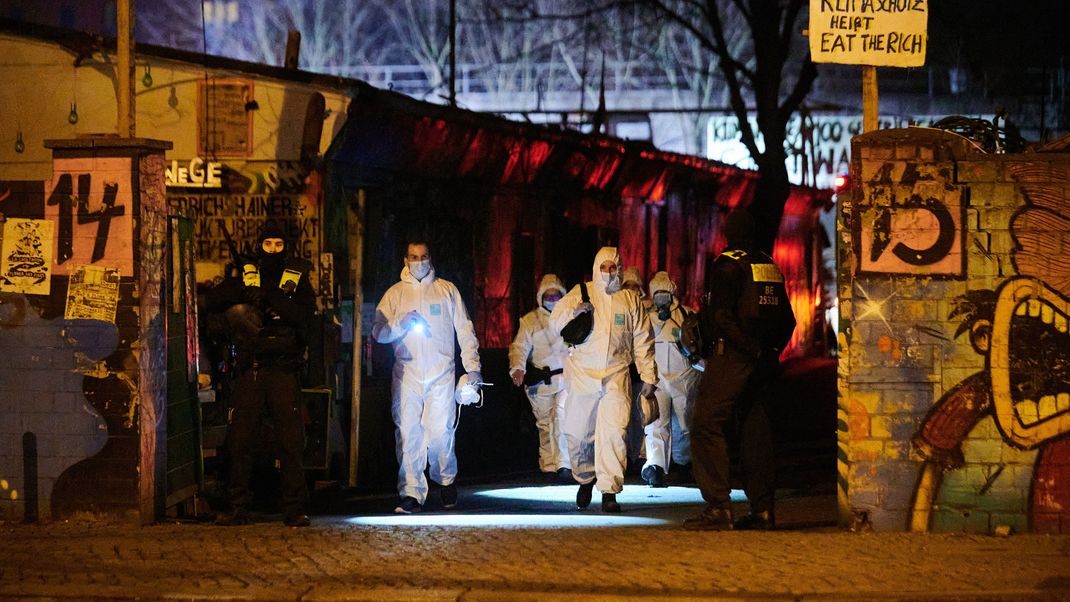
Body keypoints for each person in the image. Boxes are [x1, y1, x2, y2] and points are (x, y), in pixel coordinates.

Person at [684, 210, 796, 531]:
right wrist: (769, 352)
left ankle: (719, 507)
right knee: (754, 430)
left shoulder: (727, 264)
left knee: (706, 424)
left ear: (729, 232)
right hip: (763, 363)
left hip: (732, 357)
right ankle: (763, 510)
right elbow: (788, 320)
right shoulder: (768, 266)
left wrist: (747, 349)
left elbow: (721, 317)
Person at [209, 221, 315, 527]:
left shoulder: (295, 277)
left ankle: (294, 508)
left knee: (291, 442)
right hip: (251, 368)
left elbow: (304, 315)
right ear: (260, 245)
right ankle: (237, 506)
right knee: (240, 440)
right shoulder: (247, 272)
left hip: (283, 367)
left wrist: (270, 297)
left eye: (278, 245)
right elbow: (216, 299)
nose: (272, 250)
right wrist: (245, 292)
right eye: (268, 244)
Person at [372, 241, 482, 514]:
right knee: (409, 433)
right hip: (407, 372)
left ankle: (445, 478)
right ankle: (411, 493)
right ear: (405, 259)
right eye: (413, 257)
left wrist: (473, 367)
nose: (418, 261)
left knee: (439, 432)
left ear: (430, 258)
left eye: (423, 256)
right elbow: (378, 332)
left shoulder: (446, 291)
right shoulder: (395, 294)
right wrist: (400, 324)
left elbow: (464, 330)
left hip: (441, 373)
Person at [549, 247, 658, 513]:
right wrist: (574, 312)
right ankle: (585, 477)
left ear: (619, 268)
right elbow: (555, 321)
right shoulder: (581, 293)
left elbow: (643, 339)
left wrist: (648, 376)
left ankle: (609, 490)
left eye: (613, 267)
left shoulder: (629, 300)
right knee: (577, 433)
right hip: (583, 375)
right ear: (597, 267)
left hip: (616, 374)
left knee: (614, 433)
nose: (609, 273)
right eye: (604, 267)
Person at [509, 274, 572, 482]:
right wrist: (517, 368)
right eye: (548, 296)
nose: (552, 300)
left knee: (562, 418)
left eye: (556, 296)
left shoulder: (570, 317)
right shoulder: (530, 321)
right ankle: (549, 466)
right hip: (541, 384)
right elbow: (519, 347)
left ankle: (565, 464)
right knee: (545, 425)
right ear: (540, 296)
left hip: (566, 380)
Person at [641, 271, 702, 488]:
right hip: (657, 380)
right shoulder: (646, 318)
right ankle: (655, 467)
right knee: (657, 423)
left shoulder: (686, 316)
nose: (661, 298)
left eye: (665, 293)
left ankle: (684, 463)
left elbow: (698, 346)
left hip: (683, 379)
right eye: (657, 294)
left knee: (685, 424)